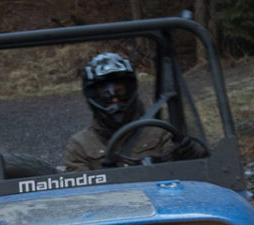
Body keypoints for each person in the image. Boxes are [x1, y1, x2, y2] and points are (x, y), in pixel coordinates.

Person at [64, 52, 205, 171]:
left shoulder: (160, 133)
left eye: (120, 91)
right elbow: (78, 192)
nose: (114, 99)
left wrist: (190, 156)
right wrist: (105, 177)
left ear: (131, 90)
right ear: (93, 97)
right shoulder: (80, 145)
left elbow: (188, 179)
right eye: (106, 94)